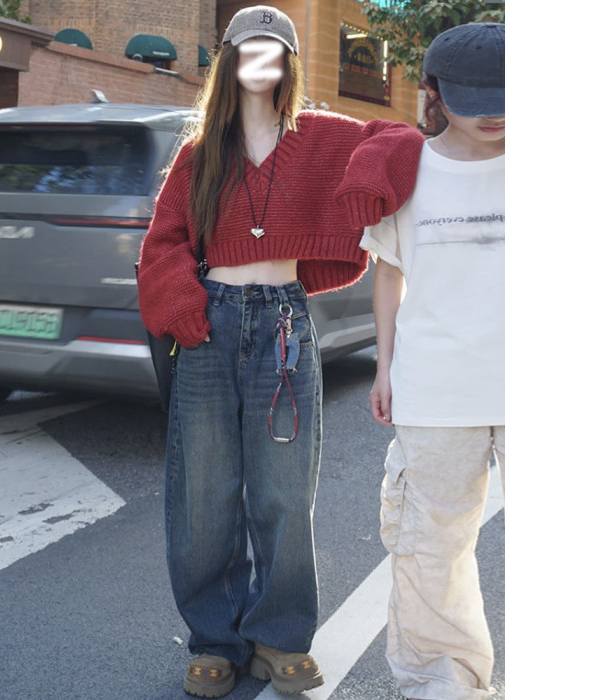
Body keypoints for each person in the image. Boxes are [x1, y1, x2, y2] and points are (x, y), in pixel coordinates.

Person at [137, 5, 424, 697]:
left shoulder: (321, 136)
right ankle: (215, 639)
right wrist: (183, 305)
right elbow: (162, 242)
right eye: (249, 49)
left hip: (285, 324)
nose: (261, 60)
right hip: (208, 325)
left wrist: (365, 181)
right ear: (230, 61)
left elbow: (401, 138)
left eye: (275, 50)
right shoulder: (200, 153)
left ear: (289, 64)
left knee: (284, 493)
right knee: (203, 496)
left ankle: (280, 636)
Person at [361, 23, 505, 700]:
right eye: (477, 99)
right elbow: (388, 272)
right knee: (431, 547)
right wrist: (383, 366)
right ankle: (442, 679)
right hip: (436, 385)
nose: (494, 113)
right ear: (434, 92)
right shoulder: (404, 168)